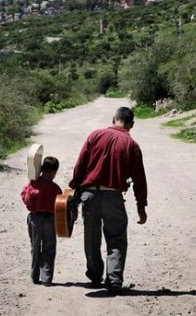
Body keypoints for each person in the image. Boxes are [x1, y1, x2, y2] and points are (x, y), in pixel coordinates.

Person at [69, 106, 148, 295]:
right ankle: (114, 281)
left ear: (114, 119)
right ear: (132, 124)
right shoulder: (132, 145)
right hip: (114, 197)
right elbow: (139, 178)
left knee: (91, 237)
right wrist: (141, 205)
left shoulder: (95, 135)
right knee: (117, 238)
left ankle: (95, 275)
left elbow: (80, 165)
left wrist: (75, 189)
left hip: (90, 195)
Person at [21, 156, 63, 286]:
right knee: (49, 247)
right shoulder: (55, 188)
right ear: (54, 172)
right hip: (50, 219)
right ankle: (47, 277)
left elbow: (25, 197)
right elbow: (61, 205)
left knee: (35, 246)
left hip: (35, 218)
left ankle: (35, 275)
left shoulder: (32, 183)